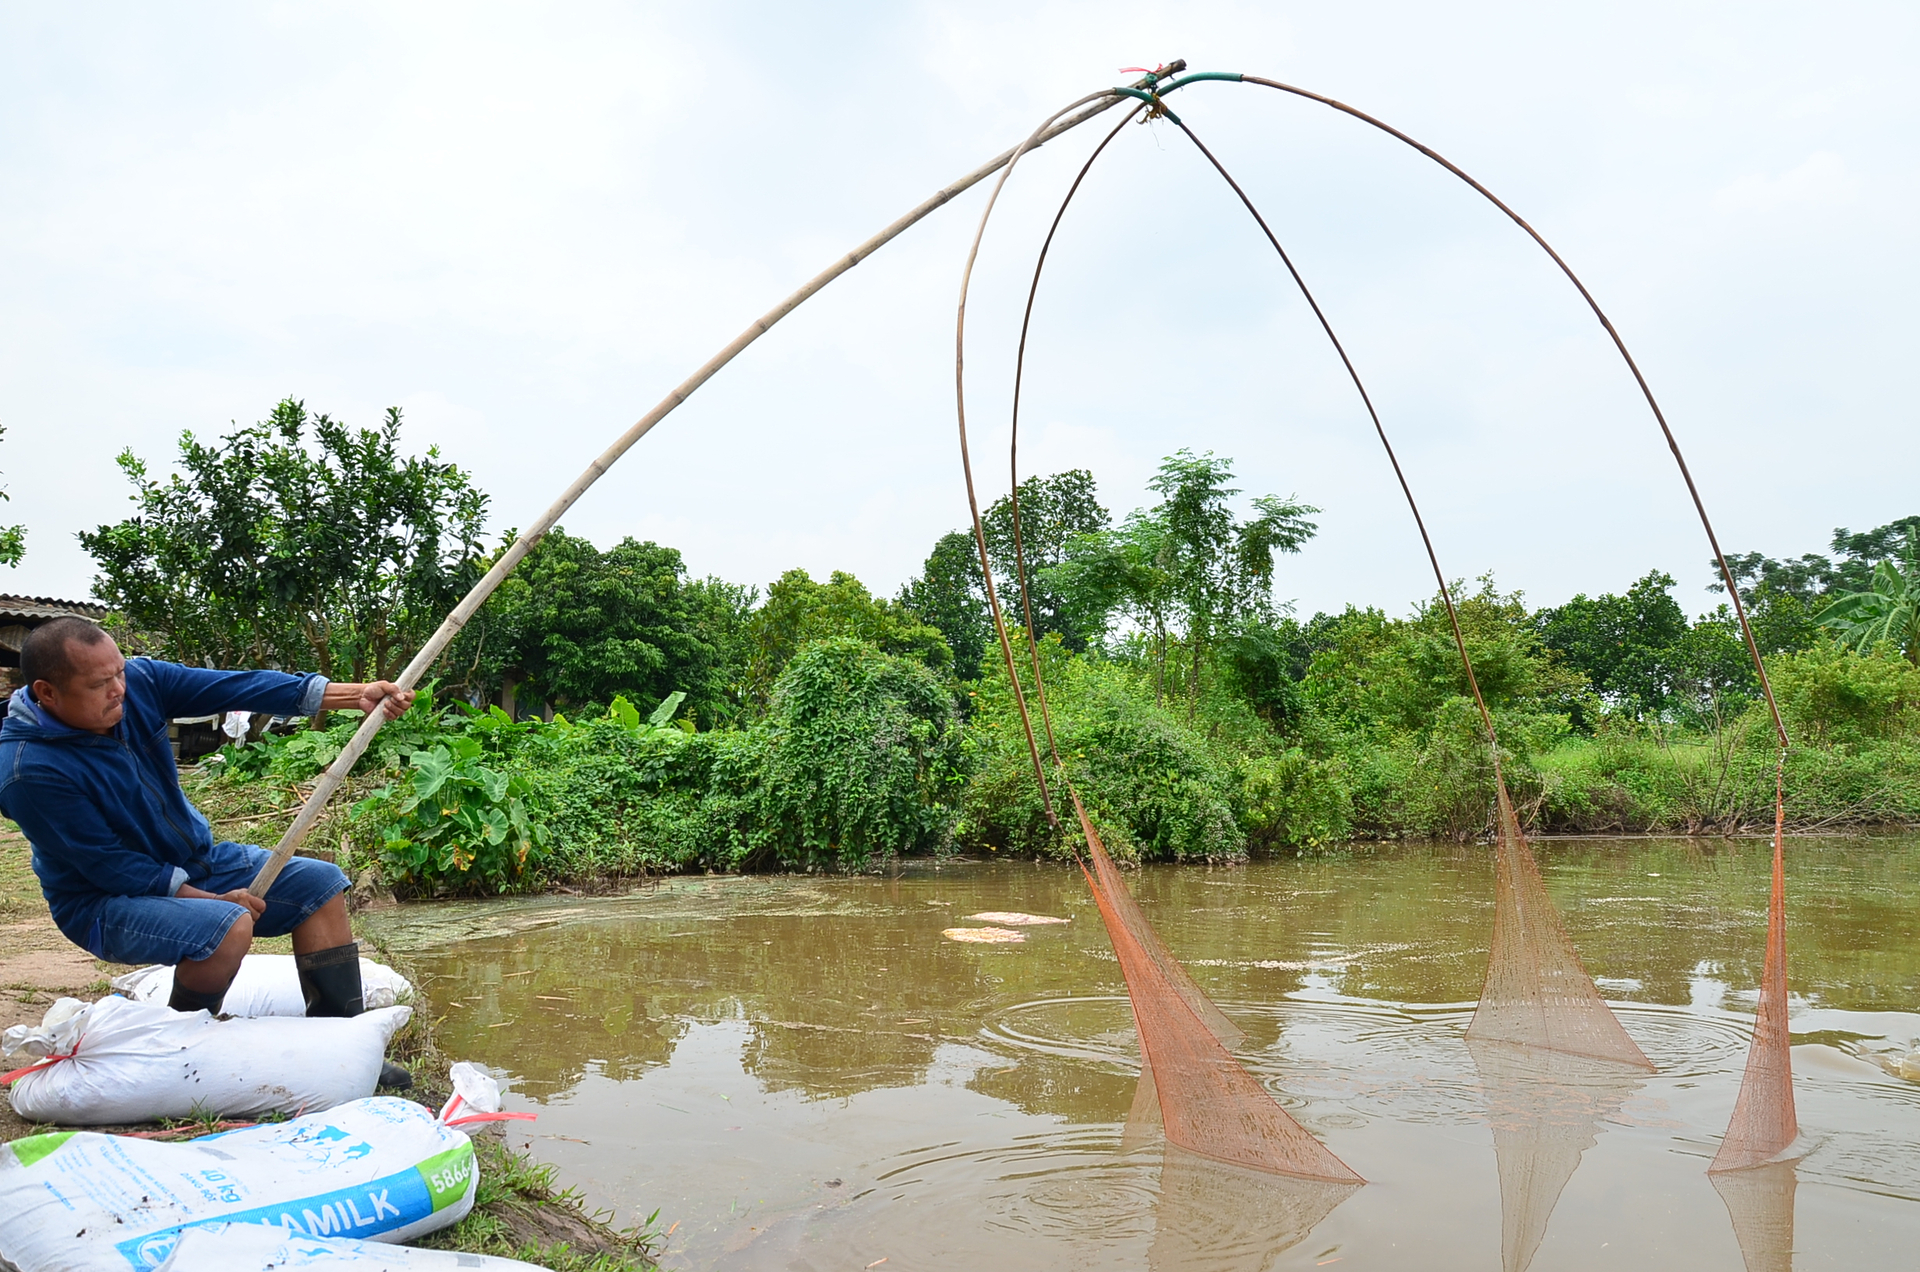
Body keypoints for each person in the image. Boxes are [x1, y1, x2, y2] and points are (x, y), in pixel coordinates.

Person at [0, 616, 417, 1087]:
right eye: (100, 683)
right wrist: (212, 902)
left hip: (197, 861)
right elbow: (110, 867)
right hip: (102, 901)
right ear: (47, 693)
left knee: (320, 885)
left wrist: (350, 694)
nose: (120, 689)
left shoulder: (139, 682)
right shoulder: (28, 770)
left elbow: (237, 686)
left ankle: (344, 1049)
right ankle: (178, 1053)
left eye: (119, 672)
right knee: (226, 928)